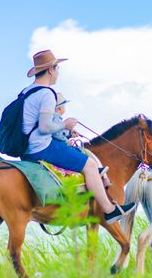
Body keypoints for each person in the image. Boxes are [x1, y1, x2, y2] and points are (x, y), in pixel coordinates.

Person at [19, 50, 134, 223]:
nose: (58, 73)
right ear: (51, 70)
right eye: (57, 68)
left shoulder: (26, 92)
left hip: (25, 148)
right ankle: (110, 210)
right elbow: (44, 127)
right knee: (90, 164)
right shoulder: (47, 93)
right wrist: (65, 125)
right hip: (41, 147)